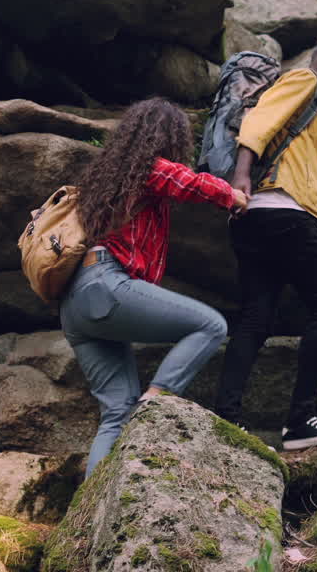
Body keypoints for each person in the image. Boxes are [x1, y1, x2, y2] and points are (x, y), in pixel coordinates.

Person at [60, 98, 248, 475]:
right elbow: (188, 181)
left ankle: (87, 517)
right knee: (211, 325)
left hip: (74, 306)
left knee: (116, 412)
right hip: (106, 285)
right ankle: (157, 402)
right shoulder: (148, 169)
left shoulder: (109, 179)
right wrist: (235, 195)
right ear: (168, 139)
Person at [214, 35, 317, 451]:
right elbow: (260, 121)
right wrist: (241, 173)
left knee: (256, 318)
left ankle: (226, 417)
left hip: (257, 219)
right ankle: (300, 420)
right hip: (284, 214)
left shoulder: (315, 111)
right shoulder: (304, 82)